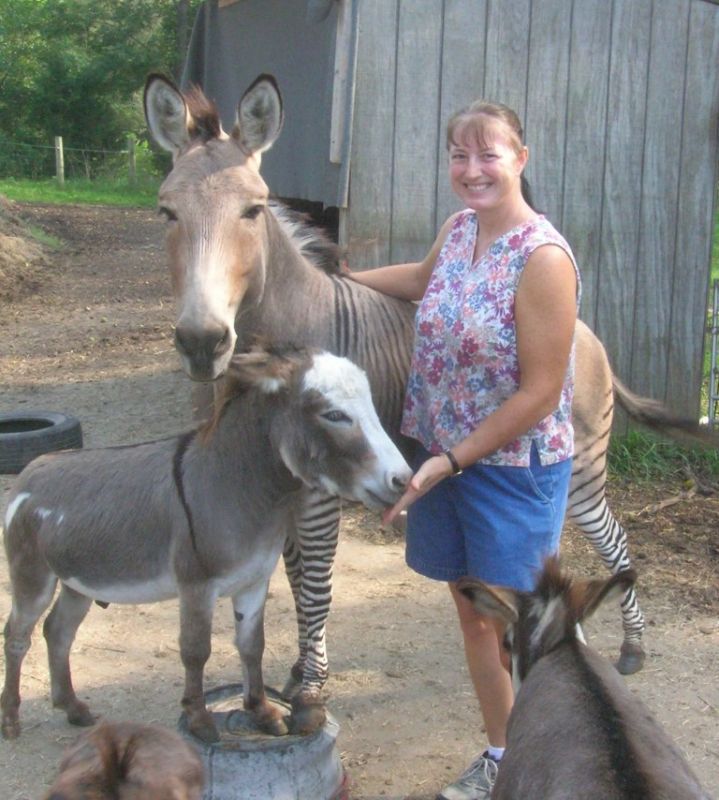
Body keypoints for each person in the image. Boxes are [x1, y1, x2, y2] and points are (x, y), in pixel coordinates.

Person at [344, 100, 580, 800]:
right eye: (458, 154)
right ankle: (503, 756)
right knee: (475, 615)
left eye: (488, 155)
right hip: (442, 455)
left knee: (524, 626)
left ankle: (557, 765)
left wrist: (449, 460)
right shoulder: (457, 231)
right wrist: (331, 285)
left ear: (520, 160)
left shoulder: (541, 258)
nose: (471, 169)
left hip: (508, 468)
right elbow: (418, 284)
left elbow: (539, 392)